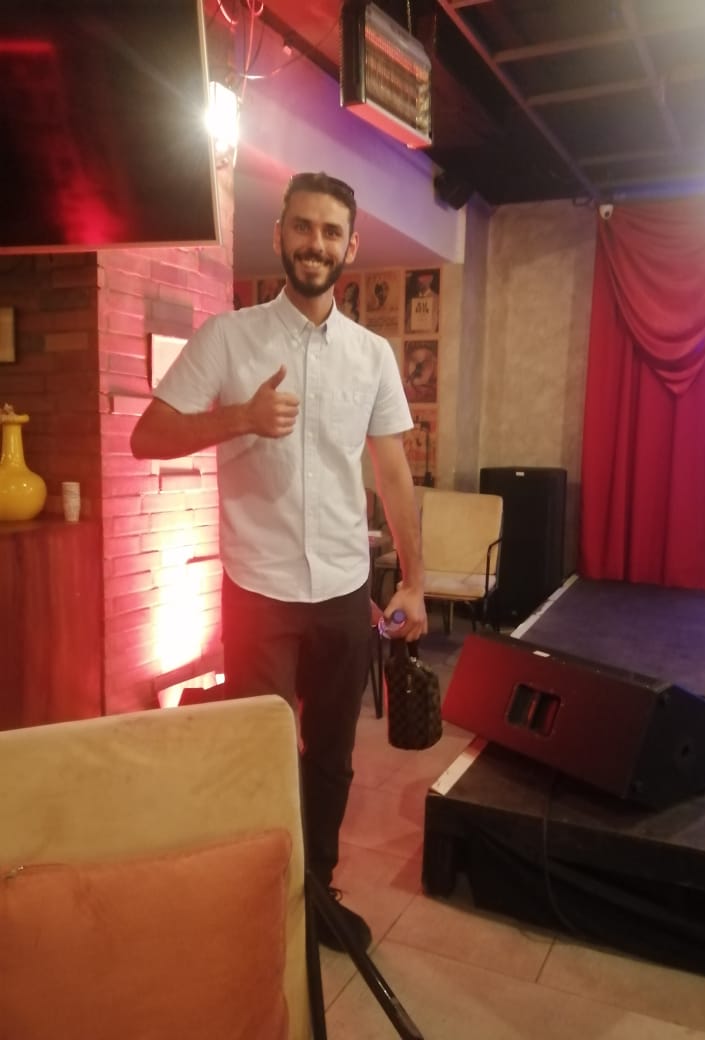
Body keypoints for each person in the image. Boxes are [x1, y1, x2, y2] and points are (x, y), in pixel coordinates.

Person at [130, 171, 426, 953]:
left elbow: (394, 474)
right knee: (255, 754)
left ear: (351, 247)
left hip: (343, 587)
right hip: (257, 587)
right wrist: (241, 418)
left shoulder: (371, 355)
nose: (315, 244)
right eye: (303, 227)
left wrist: (416, 581)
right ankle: (260, 894)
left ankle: (316, 889)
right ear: (279, 235)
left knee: (331, 755)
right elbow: (147, 436)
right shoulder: (226, 339)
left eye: (331, 232)